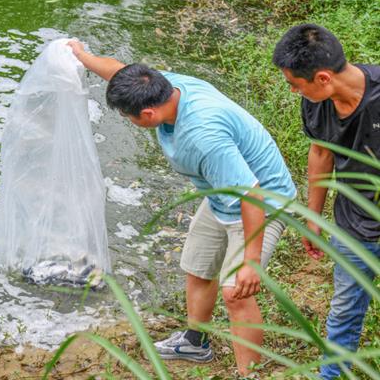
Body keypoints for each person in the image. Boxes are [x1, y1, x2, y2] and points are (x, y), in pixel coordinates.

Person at [67, 40, 296, 376]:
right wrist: (82, 57)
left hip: (262, 203)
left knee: (236, 291)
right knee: (198, 267)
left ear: (147, 114)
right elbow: (119, 71)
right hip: (221, 194)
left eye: (126, 116)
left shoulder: (202, 135)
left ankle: (251, 373)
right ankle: (195, 342)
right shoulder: (164, 86)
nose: (126, 119)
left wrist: (250, 262)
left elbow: (252, 195)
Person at [273, 24, 380, 379]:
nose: (291, 91)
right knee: (345, 309)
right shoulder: (315, 104)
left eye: (294, 83)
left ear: (321, 77)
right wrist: (312, 215)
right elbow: (320, 152)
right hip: (355, 225)